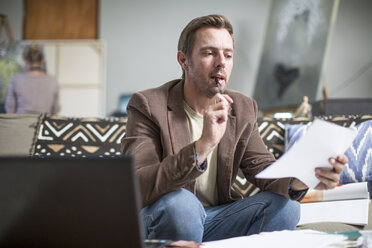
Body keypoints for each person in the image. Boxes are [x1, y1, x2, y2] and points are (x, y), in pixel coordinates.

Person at [121, 14, 347, 242]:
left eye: (228, 55)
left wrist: (302, 178)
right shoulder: (148, 105)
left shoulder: (242, 107)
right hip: (164, 218)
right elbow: (138, 184)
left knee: (287, 207)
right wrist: (203, 146)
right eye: (209, 53)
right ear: (183, 60)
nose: (221, 62)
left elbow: (263, 168)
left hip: (216, 220)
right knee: (182, 204)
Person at [5, 43, 60, 114]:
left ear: (25, 61)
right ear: (41, 62)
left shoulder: (16, 79)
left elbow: (10, 108)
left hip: (20, 123)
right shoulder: (52, 81)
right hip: (43, 122)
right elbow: (56, 109)